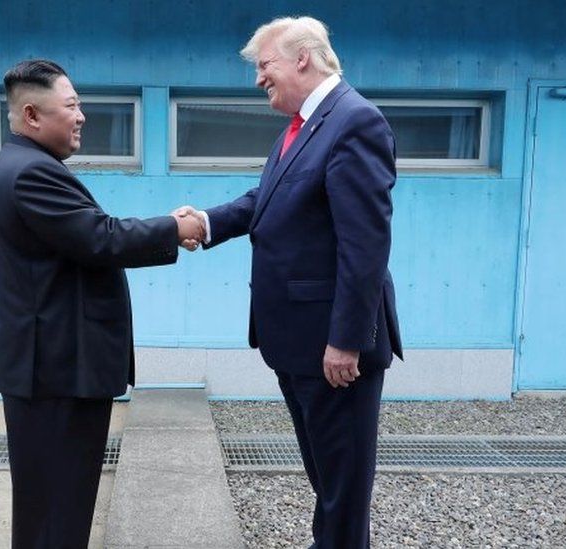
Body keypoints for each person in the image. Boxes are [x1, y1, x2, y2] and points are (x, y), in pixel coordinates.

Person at [176, 16, 402, 548]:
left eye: (264, 65)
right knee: (328, 483)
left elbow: (365, 247)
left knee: (342, 490)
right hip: (299, 345)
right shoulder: (300, 128)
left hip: (333, 350)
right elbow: (266, 203)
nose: (259, 79)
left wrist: (347, 340)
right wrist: (205, 223)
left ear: (302, 57)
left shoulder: (355, 122)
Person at [0, 59, 205, 549]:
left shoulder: (23, 164)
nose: (81, 115)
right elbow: (100, 239)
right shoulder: (31, 174)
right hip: (57, 373)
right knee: (59, 510)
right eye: (71, 106)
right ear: (32, 115)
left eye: (80, 103)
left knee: (49, 506)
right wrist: (176, 228)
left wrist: (163, 226)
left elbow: (88, 237)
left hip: (50, 369)